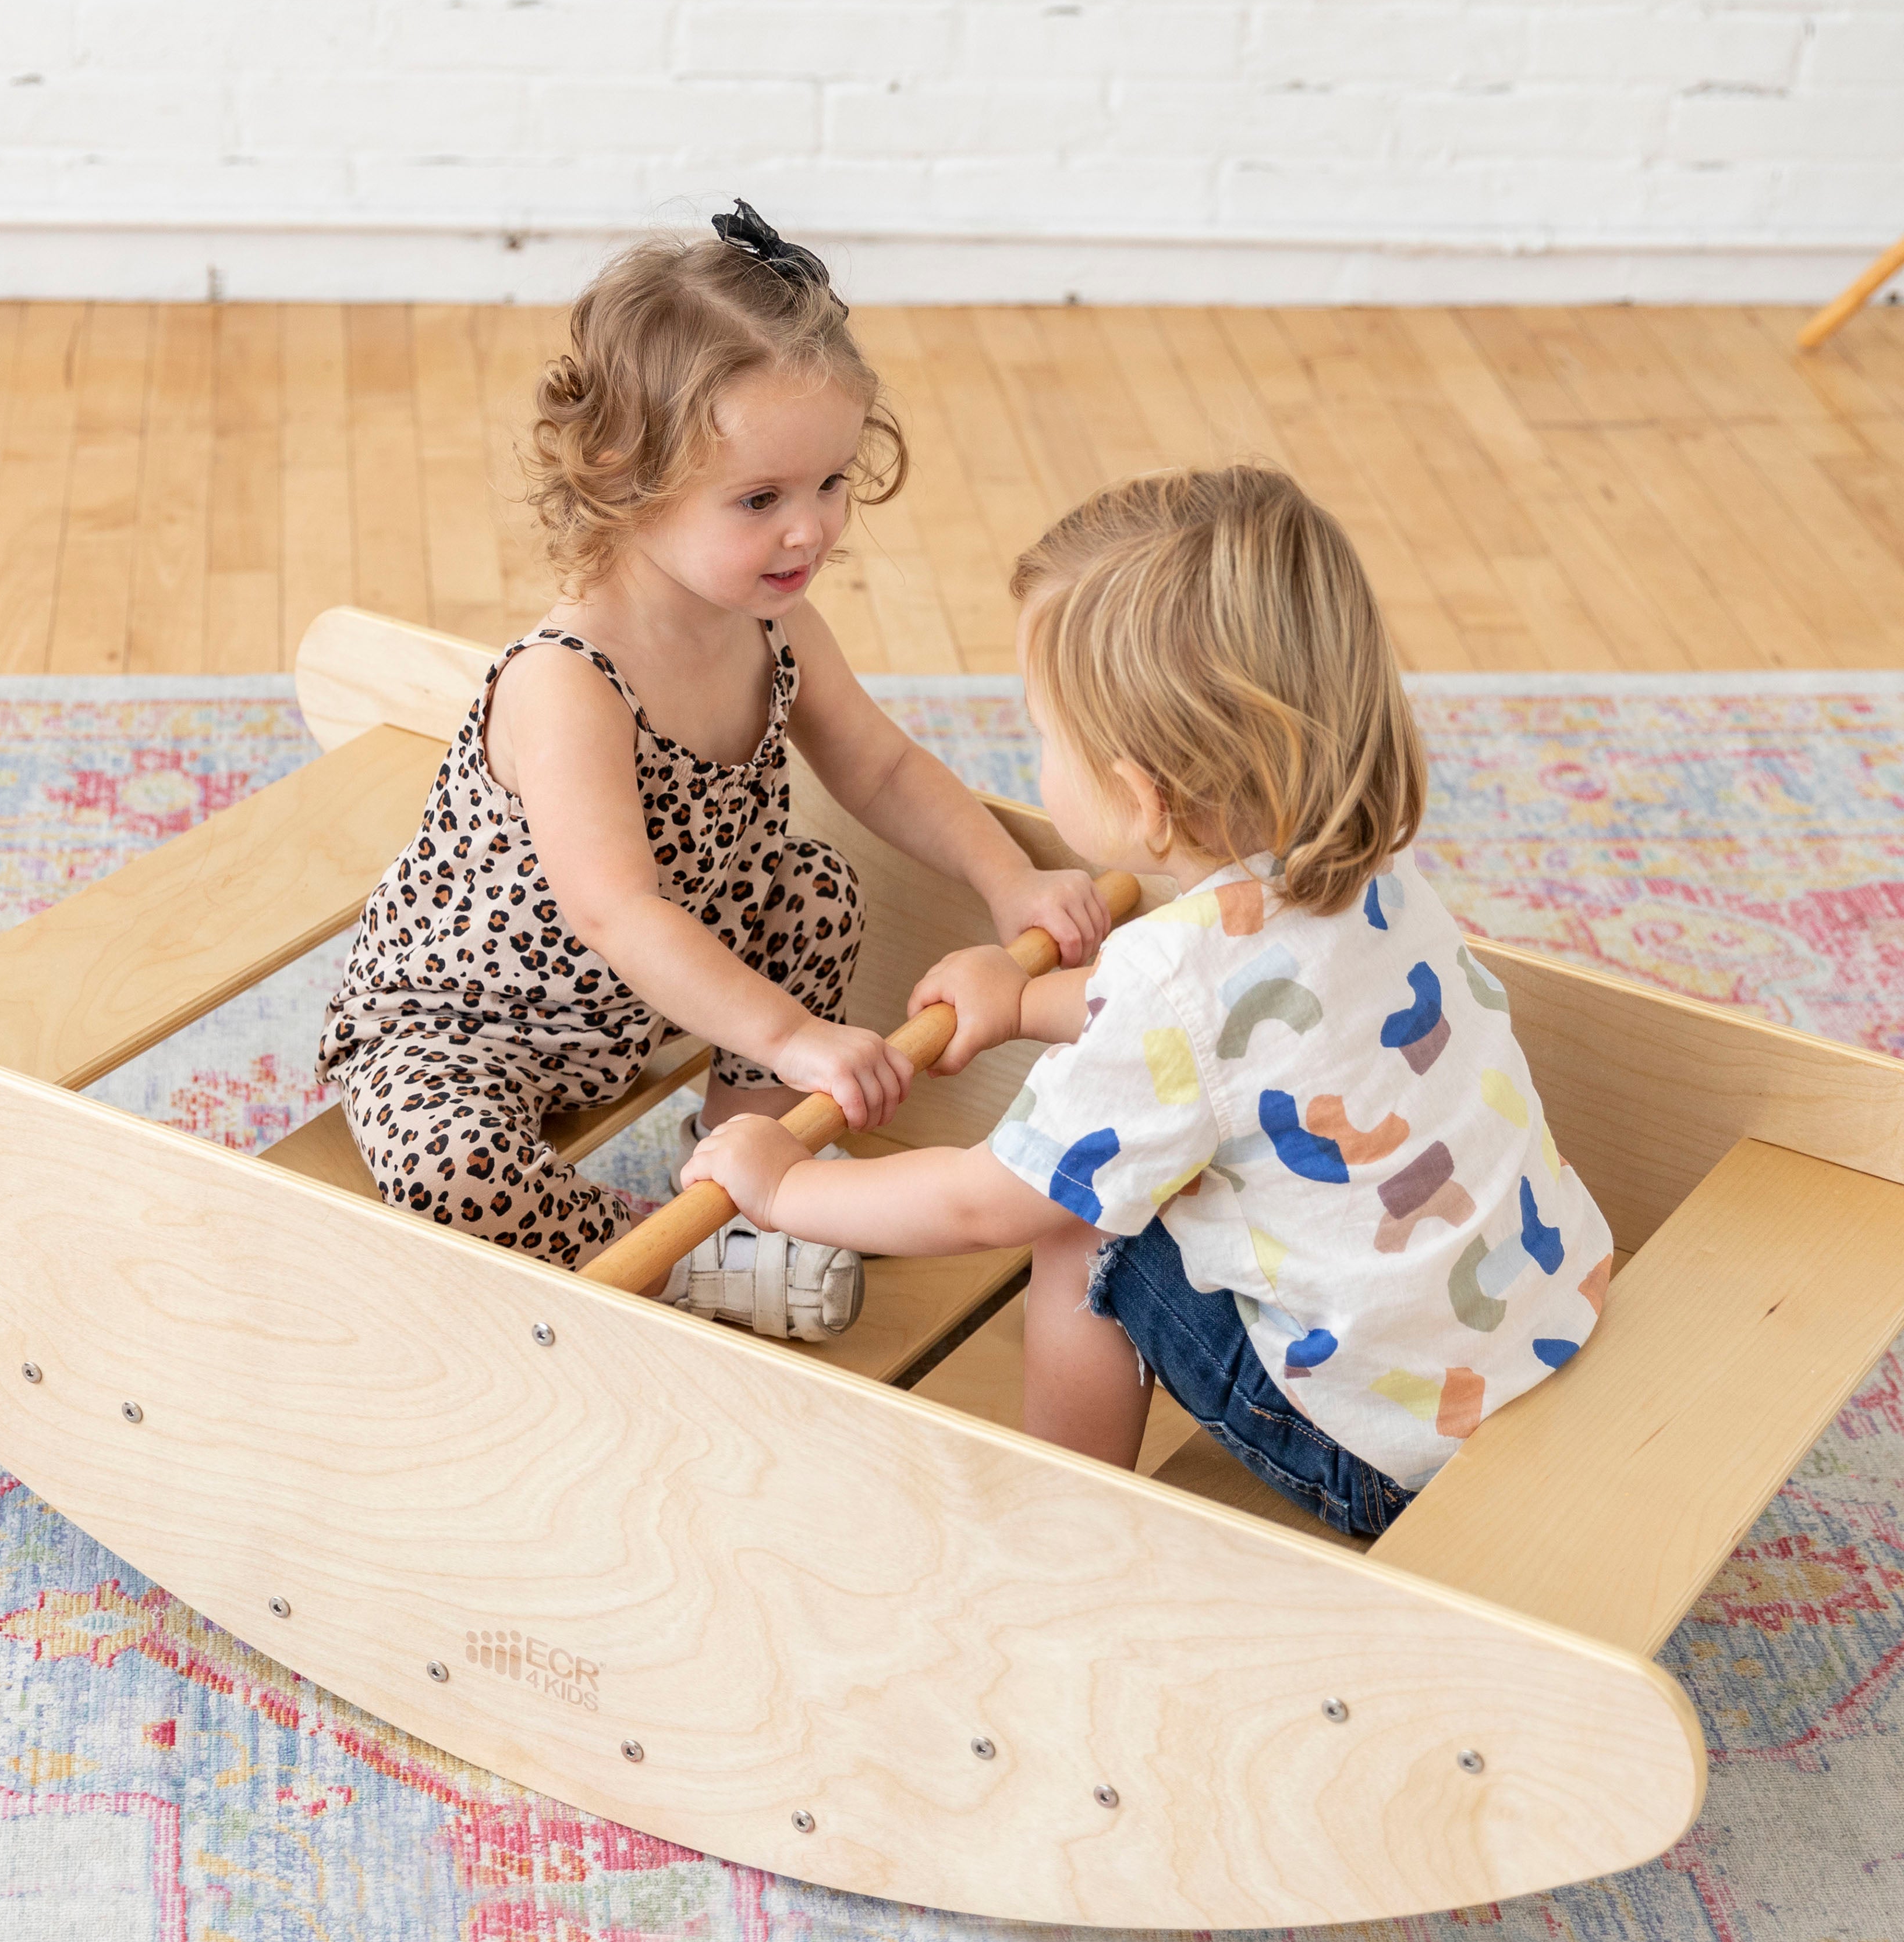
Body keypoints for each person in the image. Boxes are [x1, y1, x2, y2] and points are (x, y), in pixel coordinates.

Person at [683, 463, 1613, 1535]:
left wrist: (783, 1189)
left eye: (1042, 735)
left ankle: (1066, 1515)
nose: (1037, 756)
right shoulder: (1367, 872)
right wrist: (1022, 1003)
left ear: (1138, 795)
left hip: (1377, 1453)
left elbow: (988, 1201)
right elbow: (1229, 1030)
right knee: (1127, 1168)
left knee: (1087, 1222)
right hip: (1535, 1328)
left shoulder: (1172, 978)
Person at [316, 203, 1108, 1337]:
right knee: (449, 1170)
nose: (810, 530)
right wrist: (791, 1035)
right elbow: (617, 911)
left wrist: (1009, 881)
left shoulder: (771, 627)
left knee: (813, 888)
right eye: (760, 500)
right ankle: (672, 1261)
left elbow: (883, 767)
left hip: (651, 994)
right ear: (626, 483)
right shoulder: (567, 679)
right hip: (467, 1022)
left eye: (829, 482)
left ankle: (745, 1163)